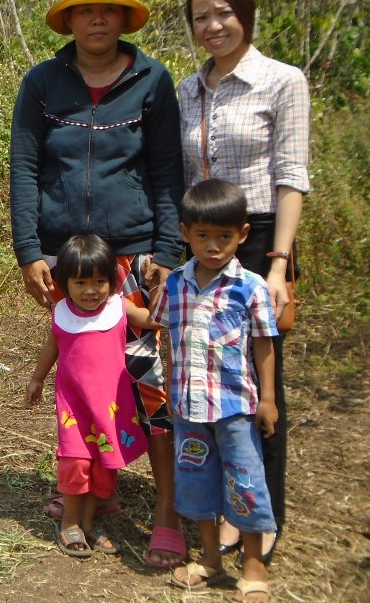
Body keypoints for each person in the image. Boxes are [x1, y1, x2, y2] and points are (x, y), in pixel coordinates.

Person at [10, 0, 186, 567]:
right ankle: (88, 489)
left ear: (124, 16)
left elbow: (167, 170)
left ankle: (167, 511)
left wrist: (167, 250)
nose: (98, 18)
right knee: (82, 381)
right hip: (70, 263)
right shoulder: (42, 83)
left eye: (109, 8)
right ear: (70, 18)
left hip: (134, 259)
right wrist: (31, 252)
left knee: (146, 386)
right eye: (86, 8)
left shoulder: (152, 81)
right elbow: (26, 169)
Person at [178, 0, 311, 566]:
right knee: (208, 385)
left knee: (259, 385)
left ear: (246, 14)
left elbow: (291, 176)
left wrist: (279, 264)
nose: (213, 25)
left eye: (224, 12)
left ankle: (263, 519)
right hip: (201, 239)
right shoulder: (188, 90)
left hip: (255, 243)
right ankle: (225, 511)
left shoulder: (282, 81)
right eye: (201, 16)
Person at [150, 179, 279, 603]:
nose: (213, 246)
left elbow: (263, 343)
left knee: (245, 480)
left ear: (242, 234)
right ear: (185, 233)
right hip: (189, 407)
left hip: (236, 407)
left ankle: (254, 566)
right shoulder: (175, 285)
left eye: (224, 236)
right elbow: (164, 332)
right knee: (196, 480)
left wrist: (268, 399)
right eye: (202, 236)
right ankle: (209, 559)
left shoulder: (251, 287)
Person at [25, 234, 150, 558]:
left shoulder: (120, 308)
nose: (91, 290)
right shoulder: (62, 314)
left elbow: (153, 320)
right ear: (65, 283)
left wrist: (181, 306)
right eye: (81, 282)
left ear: (112, 281)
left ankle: (89, 522)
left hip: (111, 408)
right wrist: (37, 379)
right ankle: (70, 522)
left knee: (102, 467)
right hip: (74, 408)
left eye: (100, 281)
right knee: (75, 463)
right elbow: (51, 347)